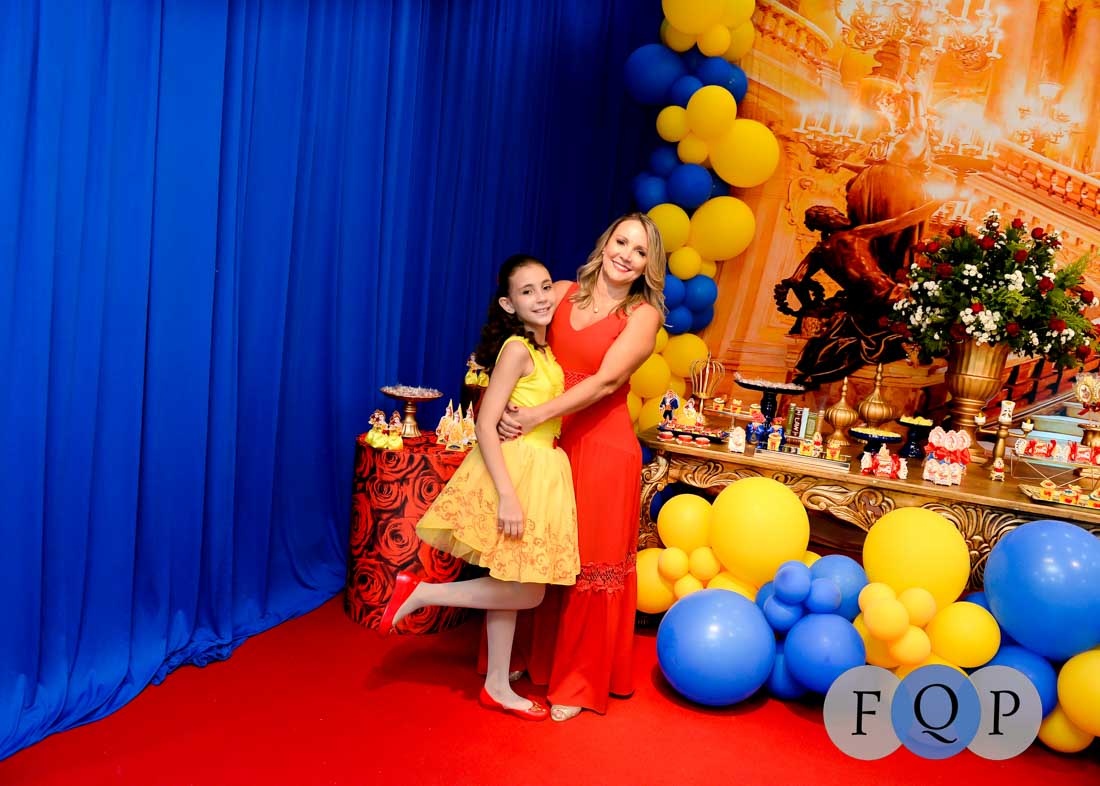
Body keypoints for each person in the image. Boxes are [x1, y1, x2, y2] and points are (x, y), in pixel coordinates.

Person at [377, 254, 580, 722]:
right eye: (527, 291)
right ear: (508, 304)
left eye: (545, 286)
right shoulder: (517, 349)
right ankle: (422, 593)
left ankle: (497, 685)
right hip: (519, 470)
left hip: (542, 467)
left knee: (511, 582)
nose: (541, 297)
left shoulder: (543, 350)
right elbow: (486, 423)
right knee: (530, 593)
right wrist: (507, 495)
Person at [497, 213, 666, 721]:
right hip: (549, 443)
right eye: (621, 242)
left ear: (648, 265)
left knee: (589, 562)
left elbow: (606, 383)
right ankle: (531, 657)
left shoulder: (644, 316)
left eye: (640, 251)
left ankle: (578, 679)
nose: (626, 255)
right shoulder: (563, 292)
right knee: (540, 552)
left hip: (602, 448)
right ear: (605, 242)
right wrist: (499, 398)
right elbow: (521, 344)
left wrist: (533, 414)